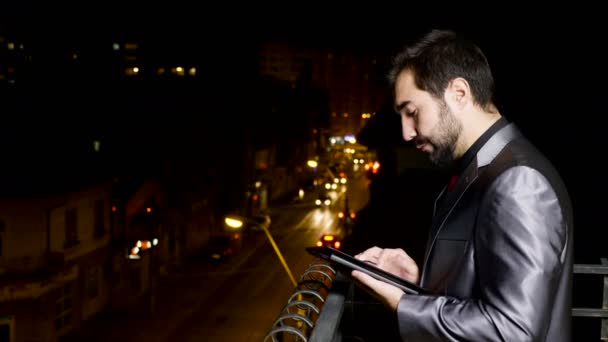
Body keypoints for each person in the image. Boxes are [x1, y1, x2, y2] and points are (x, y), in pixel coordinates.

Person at [350, 29, 573, 341]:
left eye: (412, 112)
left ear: (459, 93)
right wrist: (417, 285)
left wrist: (404, 304)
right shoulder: (484, 169)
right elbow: (480, 293)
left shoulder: (519, 181)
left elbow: (513, 331)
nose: (406, 132)